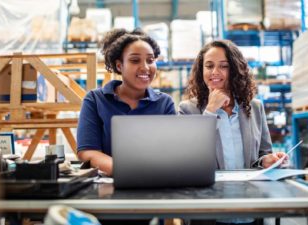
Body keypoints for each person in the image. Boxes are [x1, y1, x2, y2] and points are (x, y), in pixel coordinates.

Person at [179, 40, 288, 225]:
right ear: (201, 71)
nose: (215, 72)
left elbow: (263, 152)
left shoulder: (254, 108)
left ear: (235, 70)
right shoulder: (188, 109)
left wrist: (266, 160)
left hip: (249, 208)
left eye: (224, 66)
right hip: (208, 211)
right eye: (209, 66)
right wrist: (211, 111)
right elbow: (187, 157)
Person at [77, 28, 176, 177]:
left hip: (156, 184)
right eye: (135, 60)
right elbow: (88, 152)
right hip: (111, 186)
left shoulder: (164, 103)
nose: (145, 67)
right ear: (119, 65)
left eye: (150, 60)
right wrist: (127, 172)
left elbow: (172, 151)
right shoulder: (95, 100)